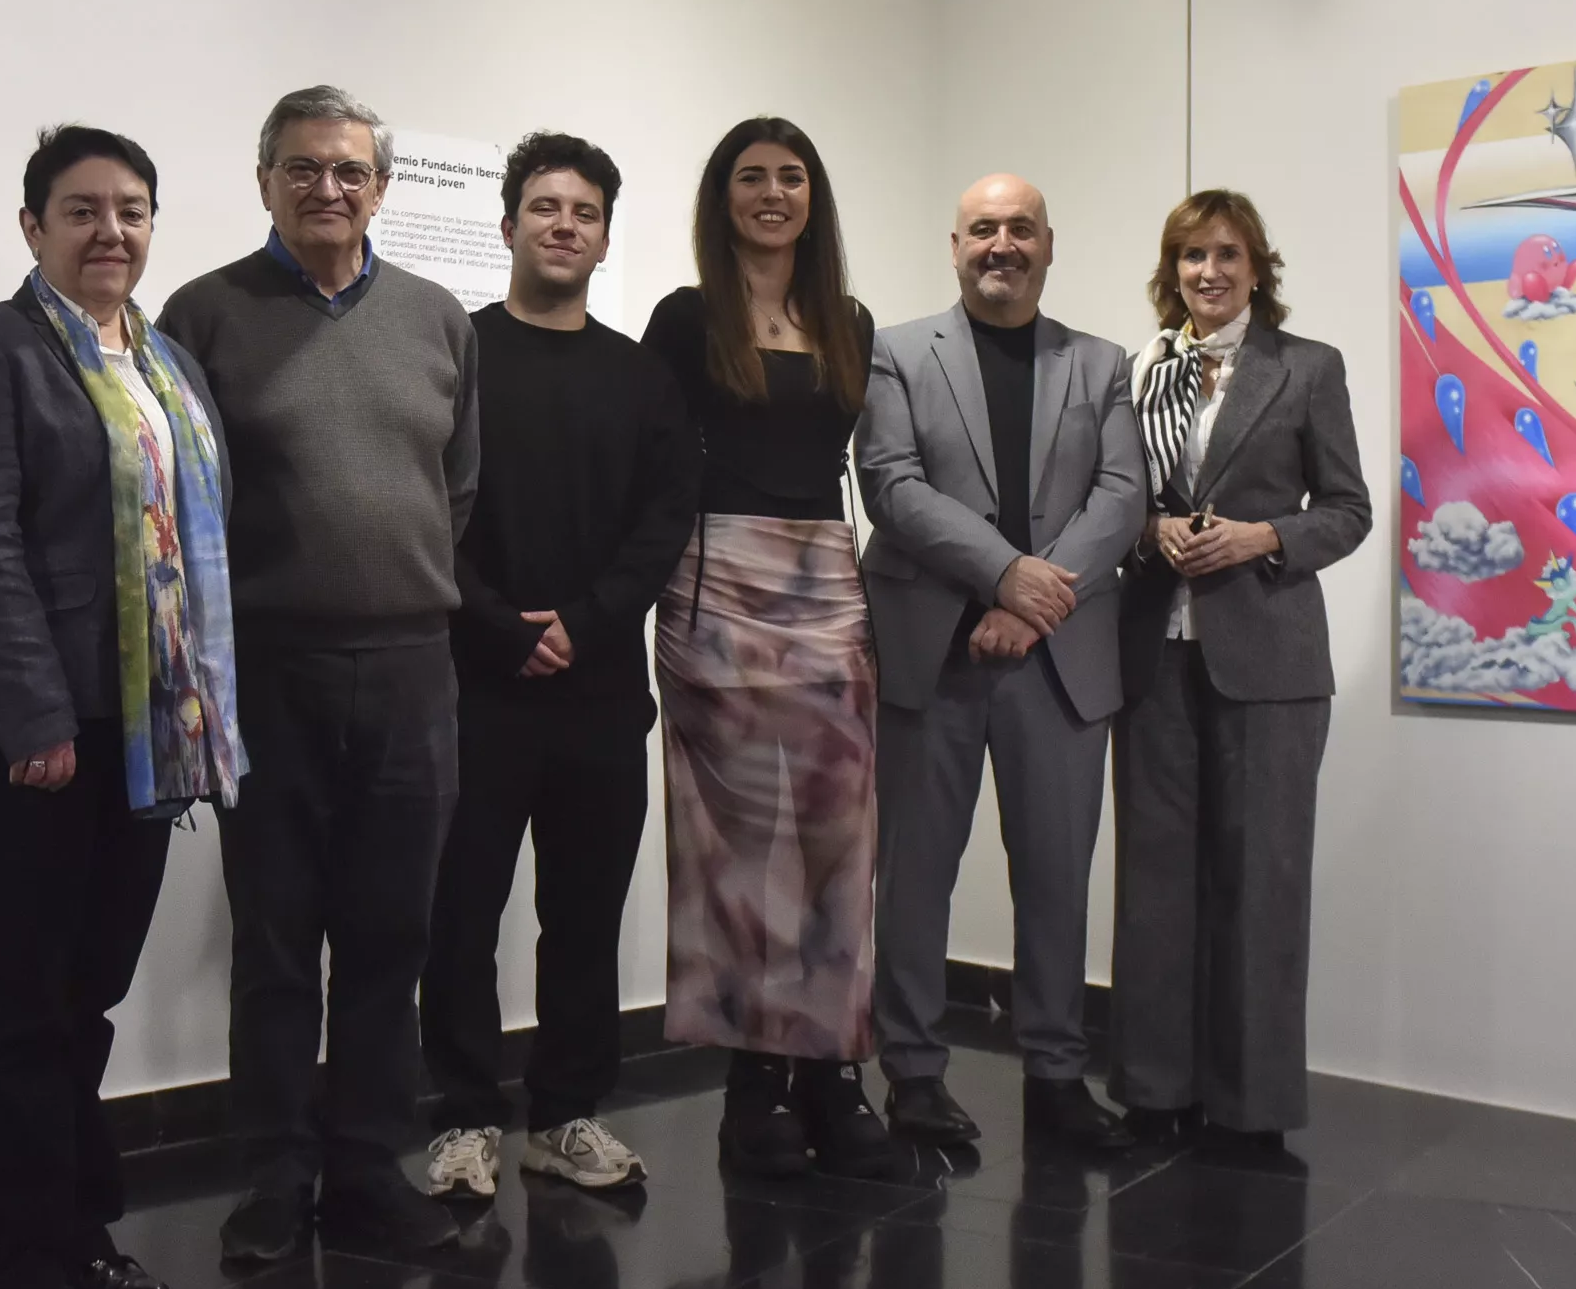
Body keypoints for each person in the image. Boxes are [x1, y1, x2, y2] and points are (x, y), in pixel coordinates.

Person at [0, 126, 245, 1289]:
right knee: (13, 1010)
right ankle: (15, 1275)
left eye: (133, 209)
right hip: (18, 734)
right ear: (33, 226)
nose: (110, 230)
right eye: (82, 208)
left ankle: (79, 1231)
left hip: (143, 734)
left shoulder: (165, 364)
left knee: (85, 998)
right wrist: (34, 717)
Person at [160, 86, 479, 1263]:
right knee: (279, 937)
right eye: (303, 169)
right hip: (270, 671)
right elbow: (183, 498)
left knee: (393, 935)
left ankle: (366, 1169)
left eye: (349, 170)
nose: (328, 189)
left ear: (381, 187)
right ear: (264, 182)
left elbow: (457, 488)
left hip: (410, 670)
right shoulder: (204, 314)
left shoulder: (441, 319)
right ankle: (275, 1177)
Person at [418, 135, 699, 1201]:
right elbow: (426, 511)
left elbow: (662, 519)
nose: (564, 224)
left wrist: (583, 622)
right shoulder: (458, 358)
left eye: (583, 210)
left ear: (604, 235)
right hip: (473, 687)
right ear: (507, 226)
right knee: (461, 912)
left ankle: (566, 1116)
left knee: (582, 915)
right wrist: (499, 625)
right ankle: (461, 1121)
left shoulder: (639, 376)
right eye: (544, 207)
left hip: (597, 690)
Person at [642, 119, 915, 1183]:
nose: (770, 193)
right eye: (749, 177)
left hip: (828, 588)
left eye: (789, 176)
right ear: (722, 198)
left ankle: (835, 1074)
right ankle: (753, 1086)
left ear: (813, 196)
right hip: (714, 585)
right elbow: (657, 463)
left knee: (838, 841)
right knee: (737, 850)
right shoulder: (683, 318)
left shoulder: (847, 319)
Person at [855, 175, 1149, 1153]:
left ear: (1048, 245)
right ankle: (913, 1075)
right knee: (914, 878)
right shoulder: (895, 352)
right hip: (930, 653)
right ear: (954, 244)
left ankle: (1059, 1077)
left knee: (1059, 878)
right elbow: (892, 487)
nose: (1002, 244)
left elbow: (1119, 495)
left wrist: (1031, 601)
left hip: (1054, 658)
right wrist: (1005, 575)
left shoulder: (1101, 362)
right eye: (984, 228)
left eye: (1020, 228)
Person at [1113, 190, 1371, 1157]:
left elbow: (1348, 510)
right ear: (1169, 271)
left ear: (1258, 267)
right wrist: (1148, 529)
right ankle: (1152, 1091)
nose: (1207, 272)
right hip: (1152, 655)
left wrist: (1267, 534)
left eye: (1225, 254)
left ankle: (1251, 1108)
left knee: (1261, 884)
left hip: (1270, 659)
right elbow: (1110, 498)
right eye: (1189, 256)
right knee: (1154, 883)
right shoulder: (1135, 373)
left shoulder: (1306, 369)